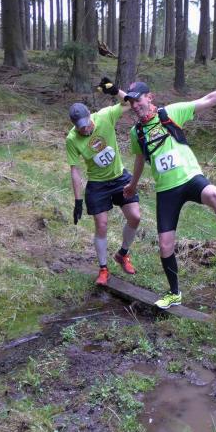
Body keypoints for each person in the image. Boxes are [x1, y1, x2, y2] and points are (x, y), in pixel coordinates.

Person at [122, 68, 216, 309]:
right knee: (165, 245)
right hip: (166, 190)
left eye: (138, 100)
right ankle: (174, 293)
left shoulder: (170, 113)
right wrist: (133, 184)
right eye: (131, 102)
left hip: (190, 178)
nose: (135, 105)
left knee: (215, 195)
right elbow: (139, 159)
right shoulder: (136, 133)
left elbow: (207, 100)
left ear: (149, 97)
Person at [66, 77, 141, 286]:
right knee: (101, 225)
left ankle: (122, 254)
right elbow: (75, 170)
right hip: (97, 185)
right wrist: (78, 201)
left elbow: (129, 103)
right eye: (80, 128)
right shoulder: (72, 139)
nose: (85, 130)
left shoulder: (105, 116)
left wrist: (116, 91)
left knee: (135, 217)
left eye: (86, 125)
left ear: (90, 116)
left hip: (119, 177)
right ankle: (103, 268)